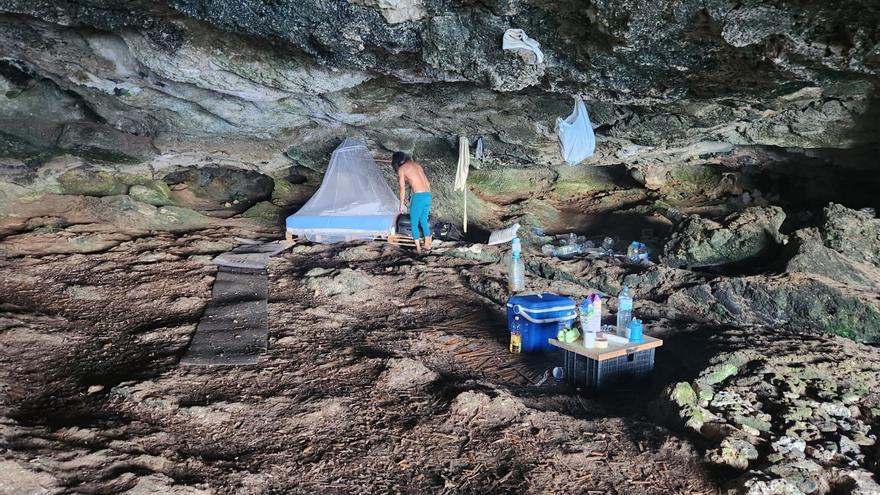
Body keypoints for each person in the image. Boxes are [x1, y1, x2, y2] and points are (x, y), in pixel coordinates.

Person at [392, 151, 432, 254]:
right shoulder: (417, 165)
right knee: (423, 220)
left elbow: (402, 189)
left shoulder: (402, 169)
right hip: (428, 195)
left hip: (419, 196)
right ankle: (427, 245)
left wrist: (401, 204)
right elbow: (427, 183)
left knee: (414, 223)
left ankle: (418, 250)